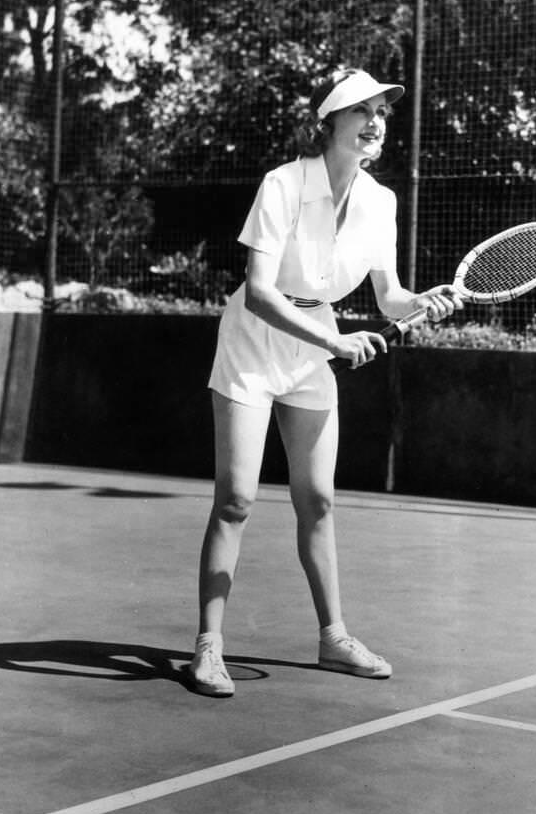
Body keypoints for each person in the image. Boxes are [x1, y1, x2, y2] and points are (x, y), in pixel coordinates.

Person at [188, 68, 462, 697]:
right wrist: (335, 342)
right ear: (329, 122)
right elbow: (260, 293)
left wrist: (426, 299)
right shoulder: (283, 184)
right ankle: (208, 646)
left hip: (312, 345)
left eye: (381, 113)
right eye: (361, 111)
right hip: (254, 342)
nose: (375, 122)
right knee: (235, 499)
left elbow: (390, 298)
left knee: (318, 499)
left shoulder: (381, 202)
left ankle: (333, 638)